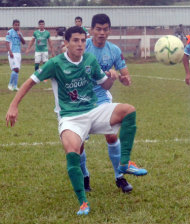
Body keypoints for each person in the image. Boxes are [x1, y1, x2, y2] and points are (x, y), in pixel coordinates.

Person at [6, 26, 147, 216]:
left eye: (82, 40)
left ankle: (124, 163)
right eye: (75, 40)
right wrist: (14, 105)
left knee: (129, 111)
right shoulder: (55, 64)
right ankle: (83, 201)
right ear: (66, 43)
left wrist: (112, 77)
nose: (80, 44)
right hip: (71, 117)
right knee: (73, 150)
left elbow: (103, 84)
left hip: (94, 110)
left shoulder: (90, 60)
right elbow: (30, 82)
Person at [80, 13, 133, 194]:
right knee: (78, 142)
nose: (101, 33)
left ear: (109, 30)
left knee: (111, 136)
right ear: (92, 30)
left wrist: (123, 78)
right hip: (80, 100)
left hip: (102, 98)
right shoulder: (82, 47)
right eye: (98, 29)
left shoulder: (114, 51)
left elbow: (125, 75)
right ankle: (84, 176)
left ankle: (119, 177)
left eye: (105, 29)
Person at [6, 19, 26, 91]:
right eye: (15, 25)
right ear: (13, 25)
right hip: (12, 53)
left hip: (18, 53)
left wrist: (20, 36)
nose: (17, 26)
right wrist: (10, 52)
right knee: (15, 69)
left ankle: (15, 86)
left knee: (17, 70)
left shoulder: (19, 33)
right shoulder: (9, 32)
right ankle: (10, 84)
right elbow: (7, 43)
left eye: (18, 25)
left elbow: (24, 43)